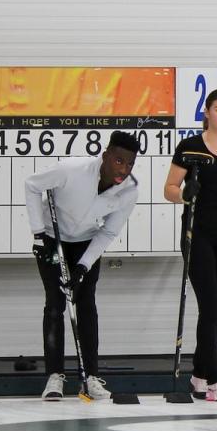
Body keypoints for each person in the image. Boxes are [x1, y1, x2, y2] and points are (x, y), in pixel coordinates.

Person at [25, 131, 141, 400]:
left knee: (86, 304)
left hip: (86, 243)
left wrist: (84, 266)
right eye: (119, 161)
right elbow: (32, 185)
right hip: (53, 240)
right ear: (106, 156)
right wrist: (38, 234)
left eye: (130, 164)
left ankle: (90, 377)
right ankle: (54, 378)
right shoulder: (70, 170)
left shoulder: (130, 190)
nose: (124, 169)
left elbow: (109, 233)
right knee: (55, 304)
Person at [164, 89, 217, 402]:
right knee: (210, 306)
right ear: (207, 111)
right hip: (196, 233)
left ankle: (199, 374)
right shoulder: (189, 147)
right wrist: (186, 193)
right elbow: (169, 189)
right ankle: (215, 378)